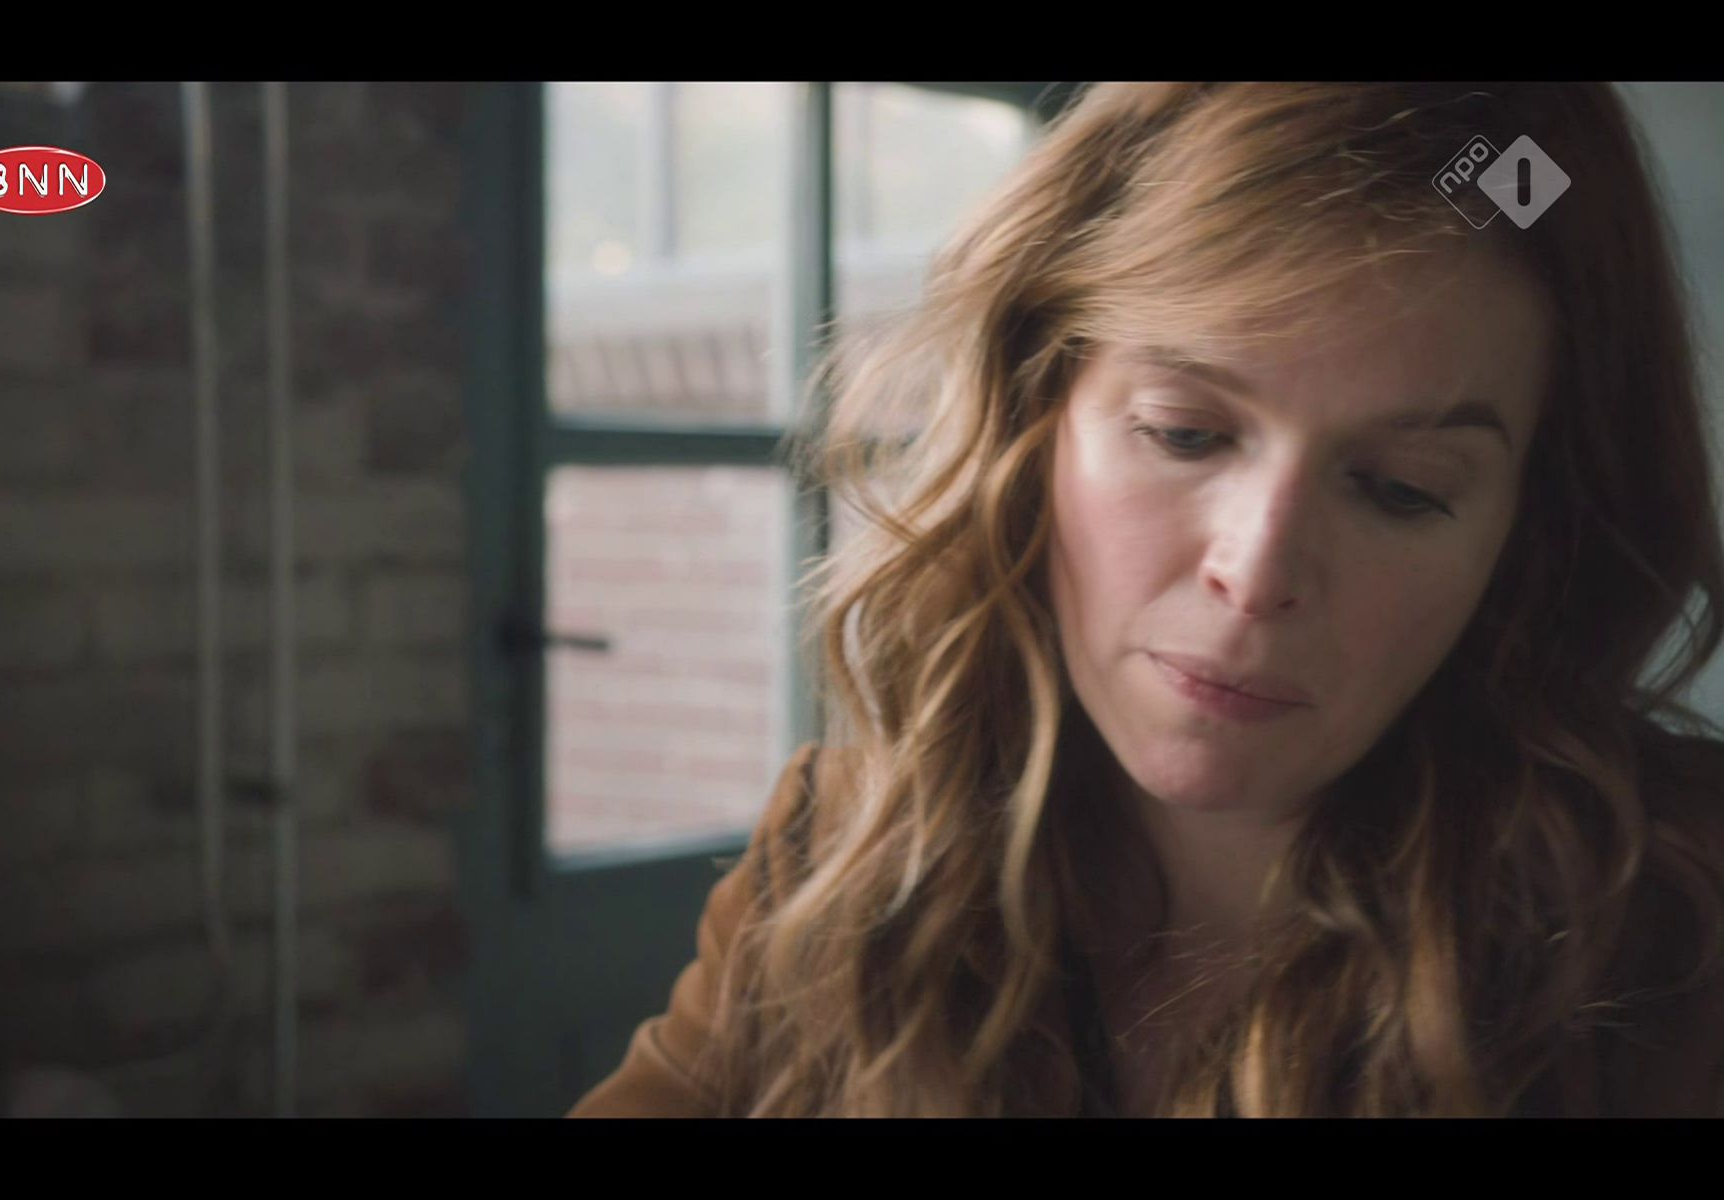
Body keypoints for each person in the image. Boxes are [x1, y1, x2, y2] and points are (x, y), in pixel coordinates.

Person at [567, 82, 1724, 1117]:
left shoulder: (1685, 923)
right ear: (1033, 417)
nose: (1257, 573)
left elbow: (1533, 178)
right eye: (1183, 432)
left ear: (1530, 533)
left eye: (1403, 489)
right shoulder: (838, 849)